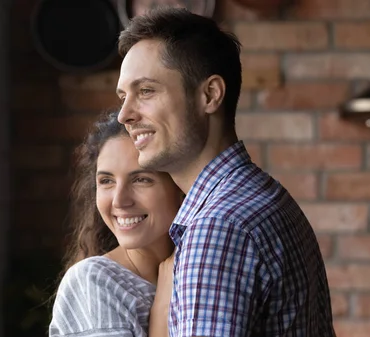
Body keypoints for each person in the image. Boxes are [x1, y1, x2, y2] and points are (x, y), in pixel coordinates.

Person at [115, 7, 336, 337]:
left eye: (146, 91)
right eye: (123, 96)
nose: (124, 115)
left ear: (210, 95)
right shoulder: (265, 194)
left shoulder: (218, 227)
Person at [49, 110, 182, 337]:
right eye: (106, 181)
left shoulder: (198, 270)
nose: (119, 200)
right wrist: (162, 310)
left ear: (179, 187)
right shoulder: (95, 282)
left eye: (141, 179)